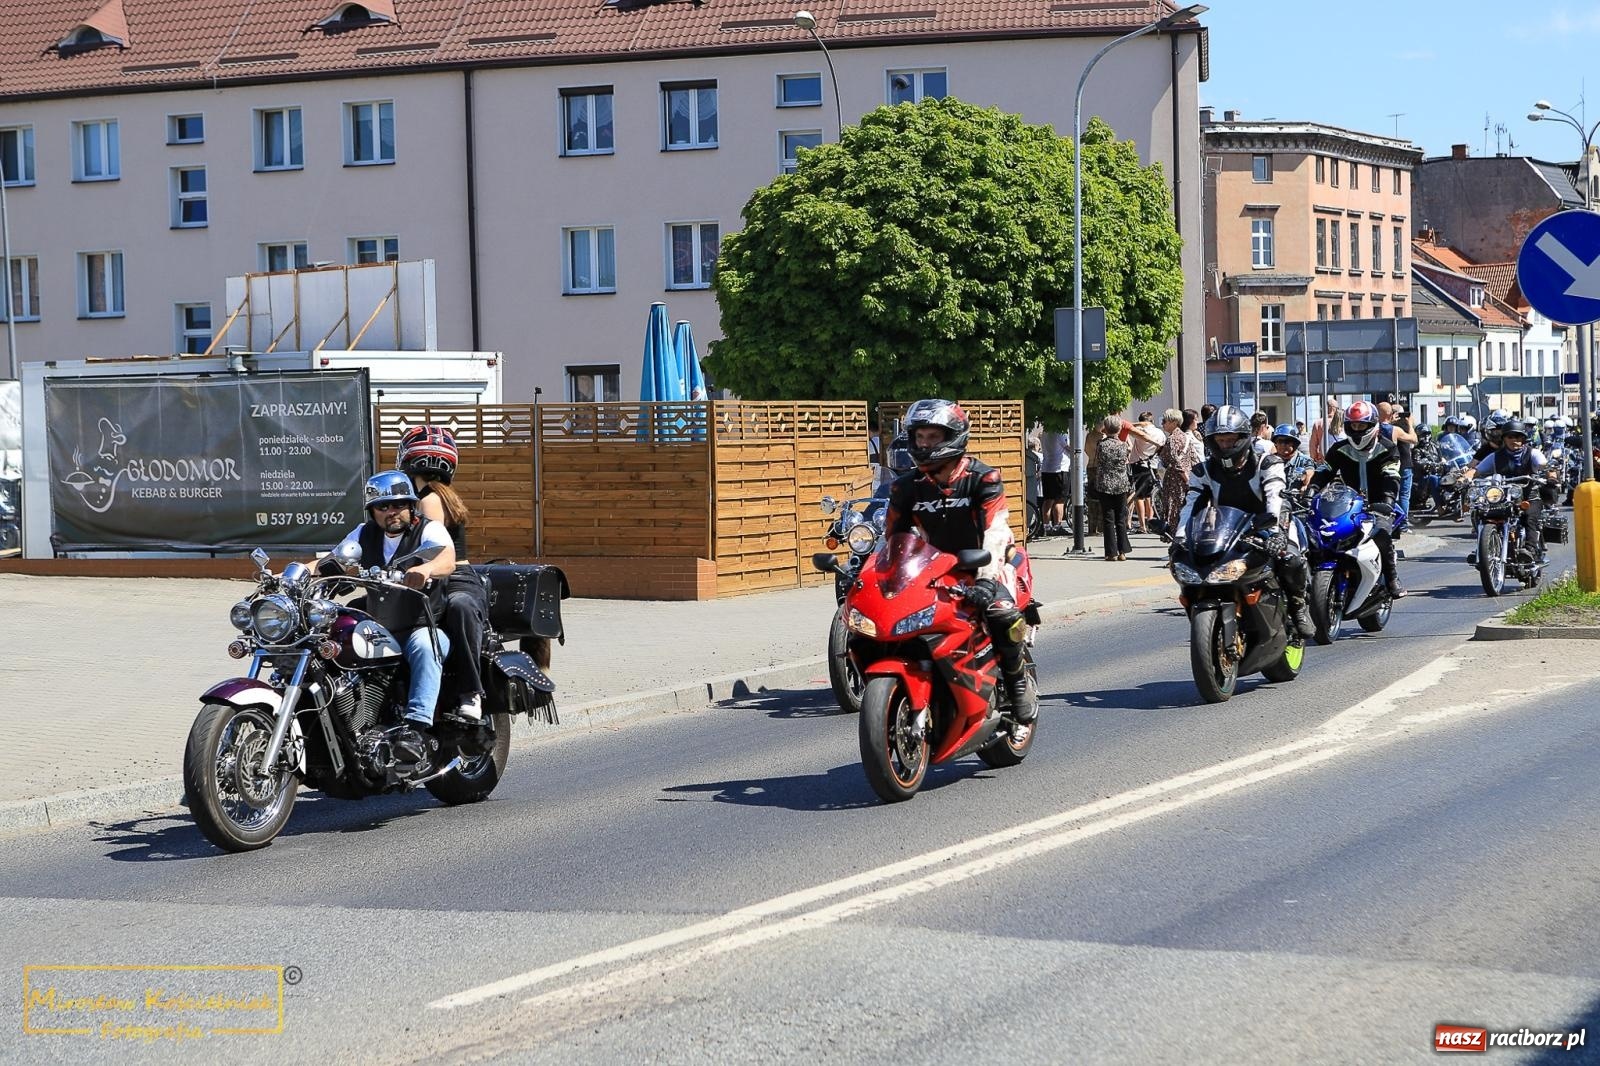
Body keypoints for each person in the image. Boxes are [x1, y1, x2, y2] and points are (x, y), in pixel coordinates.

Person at [882, 398, 1037, 724]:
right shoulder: (905, 487)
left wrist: (985, 578)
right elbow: (891, 540)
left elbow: (995, 531)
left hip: (990, 562)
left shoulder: (984, 479)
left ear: (953, 436)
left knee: (1000, 612)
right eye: (920, 437)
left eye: (933, 437)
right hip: (935, 569)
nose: (924, 444)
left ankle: (1016, 681)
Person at [332, 471, 457, 762]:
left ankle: (416, 728)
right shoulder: (363, 534)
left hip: (421, 625)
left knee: (427, 646)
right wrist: (293, 573)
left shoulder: (428, 530)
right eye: (383, 506)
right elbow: (334, 560)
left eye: (399, 504)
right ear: (372, 510)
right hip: (379, 627)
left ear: (411, 506)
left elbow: (447, 558)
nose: (392, 512)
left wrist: (426, 570)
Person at [1176, 406, 1314, 637]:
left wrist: (1277, 532)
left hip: (1268, 525)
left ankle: (1298, 606)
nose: (1225, 445)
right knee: (1192, 566)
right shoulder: (1203, 471)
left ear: (1243, 438)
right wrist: (1180, 537)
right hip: (1226, 530)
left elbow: (1275, 498)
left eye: (1230, 440)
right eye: (1220, 440)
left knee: (1291, 559)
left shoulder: (1267, 463)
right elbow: (1191, 505)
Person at [397, 424, 491, 722]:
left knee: (456, 607)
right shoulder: (442, 494)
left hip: (453, 580)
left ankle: (470, 693)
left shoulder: (429, 499)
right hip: (443, 576)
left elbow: (431, 548)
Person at [1310, 400, 1406, 598]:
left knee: (1381, 534)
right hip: (1347, 505)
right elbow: (1324, 471)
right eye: (1353, 425)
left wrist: (1387, 501)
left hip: (1378, 505)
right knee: (1319, 535)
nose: (1357, 429)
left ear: (1372, 425)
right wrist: (1311, 490)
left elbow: (1392, 476)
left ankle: (1392, 578)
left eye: (1361, 425)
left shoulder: (1387, 449)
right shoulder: (1339, 449)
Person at [1461, 418, 1558, 565]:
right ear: (1504, 439)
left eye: (1518, 437)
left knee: (1529, 518)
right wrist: (1465, 477)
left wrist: (1549, 473)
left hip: (1528, 496)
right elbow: (1477, 470)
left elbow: (1543, 464)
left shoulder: (1532, 453)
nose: (1514, 440)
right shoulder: (1495, 456)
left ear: (1523, 439)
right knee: (1481, 512)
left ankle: (1530, 550)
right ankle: (1483, 548)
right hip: (1504, 497)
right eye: (1510, 437)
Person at [1089, 416, 1133, 561]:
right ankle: (1123, 551)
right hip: (1121, 483)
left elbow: (1097, 460)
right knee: (1121, 517)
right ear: (1119, 429)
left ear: (1105, 429)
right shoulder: (1124, 445)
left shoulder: (1101, 445)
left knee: (1108, 518)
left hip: (1105, 484)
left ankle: (1111, 552)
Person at [1156, 408, 1193, 541]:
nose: (1163, 424)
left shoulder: (1172, 439)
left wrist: (1185, 478)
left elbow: (1175, 461)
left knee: (1173, 512)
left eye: (1165, 421)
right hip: (1185, 478)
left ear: (1173, 422)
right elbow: (1192, 458)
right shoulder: (1185, 436)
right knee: (1183, 511)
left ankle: (1175, 546)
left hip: (1175, 480)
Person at [1379, 402, 1418, 528]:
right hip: (1398, 464)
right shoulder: (1395, 429)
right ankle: (1402, 524)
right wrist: (1410, 424)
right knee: (1404, 495)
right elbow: (1414, 439)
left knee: (1387, 494)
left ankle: (1388, 522)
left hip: (1380, 465)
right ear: (1391, 414)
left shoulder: (1373, 428)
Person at [1127, 411, 1165, 534]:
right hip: (1153, 465)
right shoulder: (1160, 432)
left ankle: (1142, 525)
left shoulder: (1142, 432)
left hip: (1139, 464)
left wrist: (1139, 425)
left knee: (1140, 496)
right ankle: (1151, 521)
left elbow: (1128, 427)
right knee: (1149, 495)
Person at [1272, 423, 1315, 495]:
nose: (1283, 445)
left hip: (1296, 503)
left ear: (1294, 443)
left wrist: (1306, 482)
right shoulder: (1270, 461)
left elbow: (1310, 472)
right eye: (1280, 441)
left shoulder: (1305, 461)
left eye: (1287, 441)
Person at [1040, 428, 1068, 536]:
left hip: (1046, 468)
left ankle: (1046, 526)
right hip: (1059, 468)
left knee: (1048, 499)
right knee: (1060, 499)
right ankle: (1057, 526)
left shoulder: (1045, 432)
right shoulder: (1060, 431)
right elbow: (1068, 446)